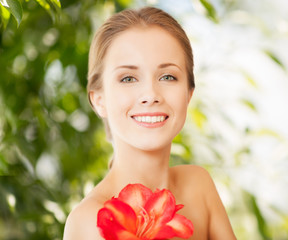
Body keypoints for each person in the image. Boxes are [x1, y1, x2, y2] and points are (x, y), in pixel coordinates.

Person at [63, 6, 236, 240]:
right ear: (99, 100)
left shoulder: (199, 184)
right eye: (128, 78)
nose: (150, 94)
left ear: (188, 94)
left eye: (167, 77)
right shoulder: (89, 220)